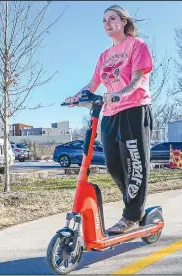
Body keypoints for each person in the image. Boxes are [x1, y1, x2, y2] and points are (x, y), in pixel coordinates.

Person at [65, 4, 153, 234]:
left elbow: (137, 80)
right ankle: (136, 207)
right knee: (114, 165)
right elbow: (93, 84)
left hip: (134, 109)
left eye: (112, 18)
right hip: (110, 114)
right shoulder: (104, 56)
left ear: (124, 21)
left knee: (135, 164)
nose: (107, 23)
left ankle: (131, 215)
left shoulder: (137, 45)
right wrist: (76, 97)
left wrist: (119, 94)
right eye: (104, 20)